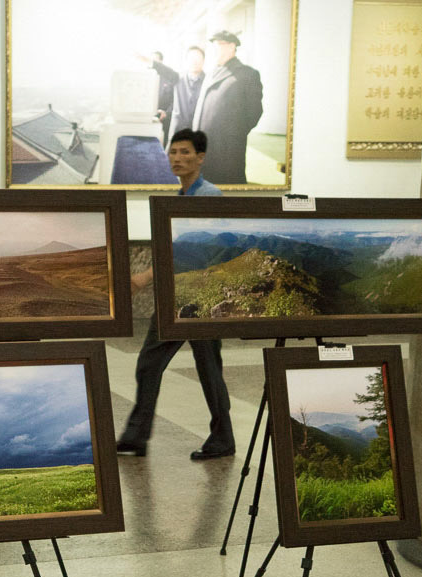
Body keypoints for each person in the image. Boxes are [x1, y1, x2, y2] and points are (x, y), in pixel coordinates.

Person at [118, 128, 235, 460]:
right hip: (180, 295)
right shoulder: (183, 196)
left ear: (201, 157)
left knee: (208, 366)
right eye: (172, 152)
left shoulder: (208, 196)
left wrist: (143, 277)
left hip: (201, 297)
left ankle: (222, 438)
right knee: (151, 361)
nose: (177, 158)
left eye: (185, 152)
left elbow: (193, 252)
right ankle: (136, 435)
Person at [191, 31, 263, 184]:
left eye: (217, 45)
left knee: (227, 195)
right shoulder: (211, 73)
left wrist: (232, 134)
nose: (213, 50)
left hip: (227, 150)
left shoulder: (247, 74)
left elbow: (255, 112)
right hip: (204, 147)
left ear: (231, 47)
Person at [164, 46, 207, 143]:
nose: (195, 61)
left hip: (199, 132)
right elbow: (172, 101)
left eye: (198, 58)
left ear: (203, 61)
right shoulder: (178, 78)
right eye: (192, 58)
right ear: (186, 60)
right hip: (178, 131)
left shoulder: (209, 82)